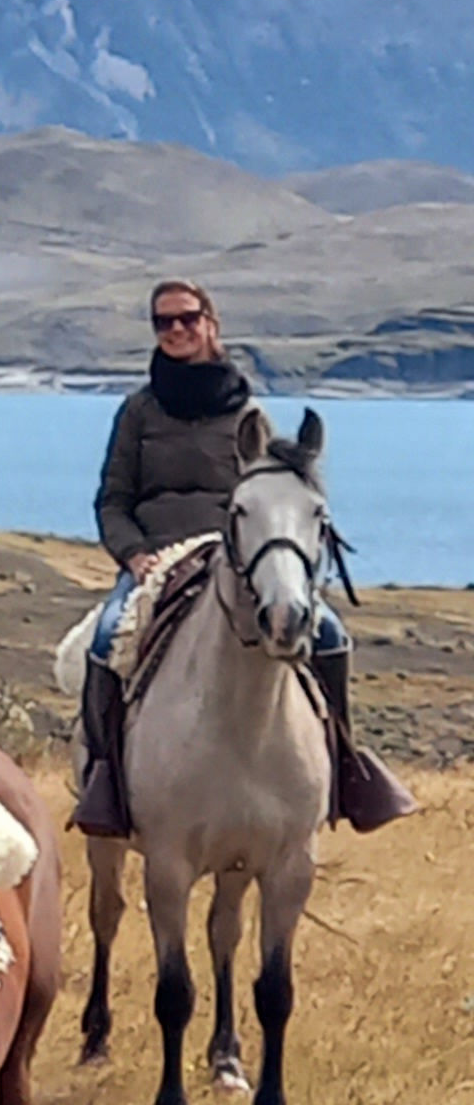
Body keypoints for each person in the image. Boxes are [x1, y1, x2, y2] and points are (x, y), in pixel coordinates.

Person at [77, 281, 409, 837]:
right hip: (155, 561)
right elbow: (113, 500)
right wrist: (133, 553)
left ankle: (348, 765)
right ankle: (106, 777)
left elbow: (273, 502)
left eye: (186, 318)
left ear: (211, 322)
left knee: (329, 636)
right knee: (107, 638)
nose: (176, 330)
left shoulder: (249, 415)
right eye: (163, 323)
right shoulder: (137, 411)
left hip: (230, 562)